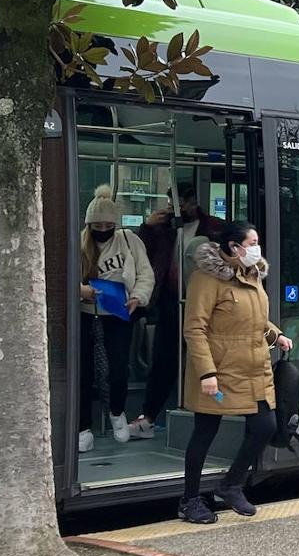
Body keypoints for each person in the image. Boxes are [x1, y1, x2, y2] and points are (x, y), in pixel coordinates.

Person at [179, 221, 293, 524]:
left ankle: (230, 485)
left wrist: (275, 335)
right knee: (205, 431)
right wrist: (206, 373)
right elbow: (194, 328)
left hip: (253, 368)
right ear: (233, 247)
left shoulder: (252, 274)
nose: (256, 248)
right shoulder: (206, 279)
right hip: (219, 370)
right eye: (251, 242)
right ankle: (190, 500)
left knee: (265, 426)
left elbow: (254, 321)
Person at [131, 184, 226, 439]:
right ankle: (149, 416)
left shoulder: (214, 227)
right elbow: (139, 252)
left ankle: (206, 414)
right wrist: (148, 228)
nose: (177, 208)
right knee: (163, 358)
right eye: (173, 203)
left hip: (204, 302)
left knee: (202, 359)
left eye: (182, 203)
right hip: (170, 300)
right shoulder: (163, 228)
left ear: (194, 202)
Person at [78, 185, 154, 453]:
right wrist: (82, 291)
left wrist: (138, 297)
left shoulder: (130, 240)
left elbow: (146, 274)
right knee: (83, 371)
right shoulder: (80, 242)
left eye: (107, 224)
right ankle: (82, 426)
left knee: (119, 367)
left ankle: (117, 411)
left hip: (121, 312)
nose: (102, 229)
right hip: (86, 314)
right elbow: (64, 279)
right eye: (96, 224)